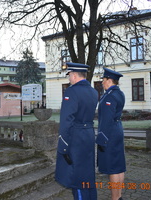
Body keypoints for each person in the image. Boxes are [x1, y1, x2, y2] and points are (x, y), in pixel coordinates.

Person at [55, 62, 98, 200]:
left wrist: (63, 146)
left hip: (75, 138)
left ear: (74, 75)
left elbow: (66, 121)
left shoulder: (71, 92)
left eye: (69, 75)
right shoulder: (93, 91)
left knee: (77, 177)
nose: (69, 78)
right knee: (87, 175)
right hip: (89, 135)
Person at [96, 67, 126, 200]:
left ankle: (115, 198)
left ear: (109, 80)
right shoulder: (119, 93)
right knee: (119, 166)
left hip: (110, 133)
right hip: (117, 129)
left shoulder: (110, 96)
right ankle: (119, 197)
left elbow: (107, 120)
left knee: (113, 167)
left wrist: (102, 138)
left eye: (103, 79)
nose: (102, 82)